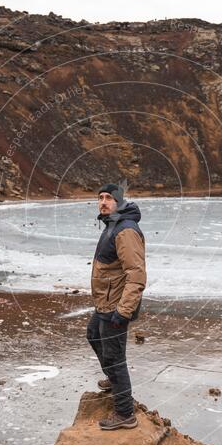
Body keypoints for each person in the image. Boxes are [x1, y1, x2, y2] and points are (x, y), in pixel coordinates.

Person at [86, 183, 147, 430]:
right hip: (106, 302)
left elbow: (136, 274)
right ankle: (113, 380)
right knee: (93, 335)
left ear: (119, 202)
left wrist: (123, 311)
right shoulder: (112, 224)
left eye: (109, 198)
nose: (103, 201)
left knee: (114, 356)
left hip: (116, 305)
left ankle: (124, 414)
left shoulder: (126, 231)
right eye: (100, 197)